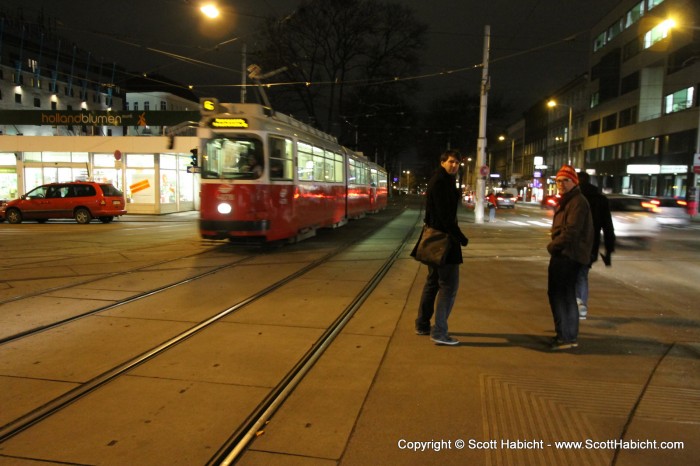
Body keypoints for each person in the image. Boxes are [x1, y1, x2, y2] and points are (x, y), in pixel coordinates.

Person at [411, 150, 469, 346]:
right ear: (442, 162)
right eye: (451, 162)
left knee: (433, 282)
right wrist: (462, 238)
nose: (454, 165)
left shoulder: (442, 180)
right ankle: (440, 332)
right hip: (445, 242)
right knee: (448, 287)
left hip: (436, 242)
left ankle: (422, 324)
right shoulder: (442, 183)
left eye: (457, 163)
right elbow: (445, 218)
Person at [546, 165, 593, 350]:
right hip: (565, 254)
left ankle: (566, 337)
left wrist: (553, 246)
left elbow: (572, 231)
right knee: (561, 295)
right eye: (558, 180)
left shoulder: (577, 202)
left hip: (568, 255)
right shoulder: (569, 200)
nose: (561, 184)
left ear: (574, 182)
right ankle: (564, 335)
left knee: (562, 296)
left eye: (566, 180)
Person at [575, 171, 615, 320]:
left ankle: (576, 304)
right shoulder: (601, 200)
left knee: (572, 275)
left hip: (574, 243)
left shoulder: (575, 198)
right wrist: (609, 251)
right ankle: (581, 307)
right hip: (592, 245)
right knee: (582, 275)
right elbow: (608, 227)